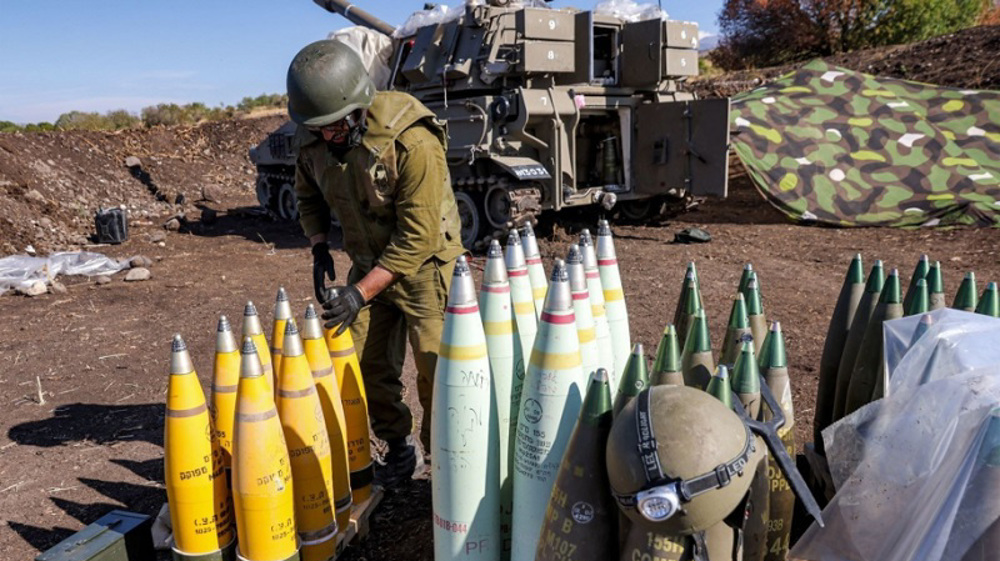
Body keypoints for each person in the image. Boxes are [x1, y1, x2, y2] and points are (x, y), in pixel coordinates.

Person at [287, 39, 465, 487]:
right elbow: (307, 194)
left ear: (356, 108)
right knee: (361, 364)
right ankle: (400, 447)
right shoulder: (315, 136)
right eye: (318, 127)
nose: (325, 135)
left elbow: (417, 237)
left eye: (332, 126)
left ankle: (443, 461)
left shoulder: (413, 142)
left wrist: (358, 293)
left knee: (438, 370)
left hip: (424, 270)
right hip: (366, 263)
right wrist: (319, 245)